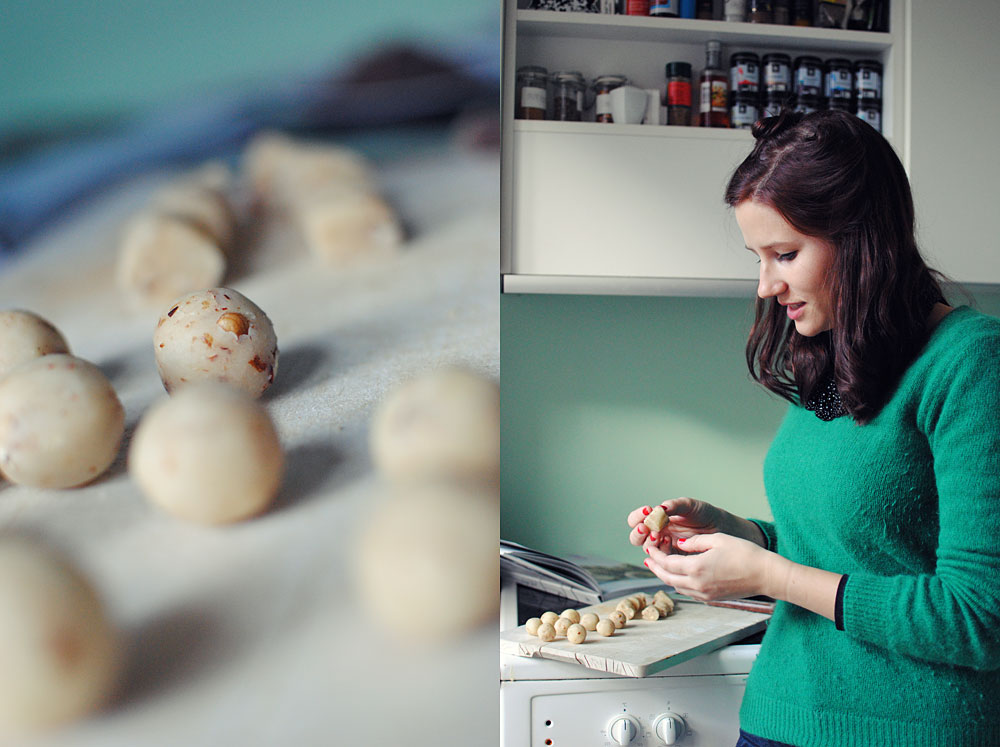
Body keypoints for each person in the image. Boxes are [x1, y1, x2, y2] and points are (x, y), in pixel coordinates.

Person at [626, 109, 1000, 747]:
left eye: (785, 254)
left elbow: (978, 618)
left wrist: (765, 574)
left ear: (863, 239)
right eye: (758, 257)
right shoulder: (831, 353)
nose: (767, 285)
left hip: (908, 732)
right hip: (776, 717)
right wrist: (733, 533)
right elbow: (850, 549)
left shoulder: (972, 362)